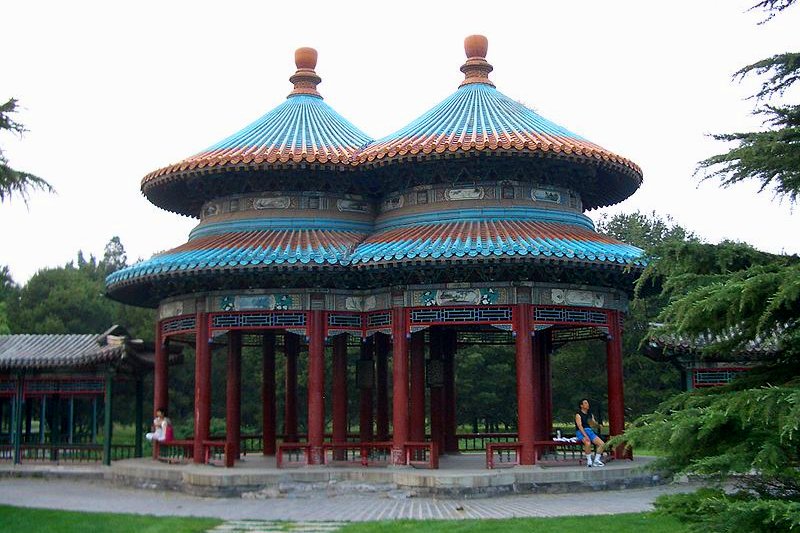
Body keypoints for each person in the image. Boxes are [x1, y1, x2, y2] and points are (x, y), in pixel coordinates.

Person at [575, 398, 605, 467]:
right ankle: (589, 460)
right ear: (581, 405)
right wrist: (585, 436)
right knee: (587, 442)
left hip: (589, 431)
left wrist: (597, 425)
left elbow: (592, 424)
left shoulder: (590, 414)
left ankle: (596, 460)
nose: (587, 404)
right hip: (581, 431)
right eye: (585, 403)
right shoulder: (578, 414)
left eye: (587, 403)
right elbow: (579, 426)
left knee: (602, 444)